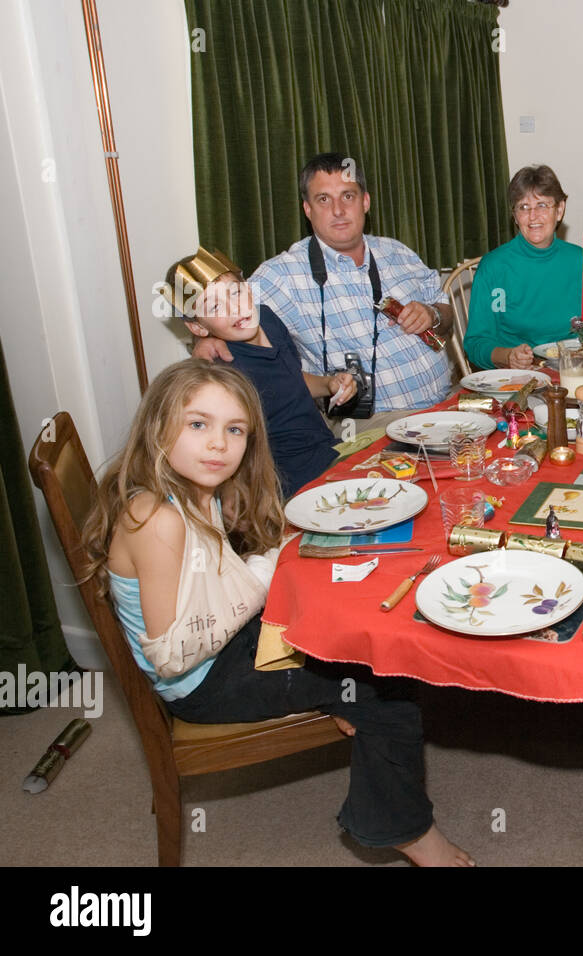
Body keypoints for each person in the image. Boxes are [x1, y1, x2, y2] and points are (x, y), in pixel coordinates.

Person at [83, 360, 473, 866]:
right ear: (158, 426)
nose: (218, 443)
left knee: (352, 637)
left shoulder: (194, 494)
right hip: (204, 683)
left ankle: (345, 702)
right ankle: (402, 830)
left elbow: (214, 590)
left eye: (235, 429)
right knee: (385, 679)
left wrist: (272, 566)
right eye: (198, 424)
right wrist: (267, 572)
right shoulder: (155, 519)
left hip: (228, 647)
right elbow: (174, 655)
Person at [198, 153, 456, 422]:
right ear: (307, 210)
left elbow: (446, 313)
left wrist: (433, 314)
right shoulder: (284, 275)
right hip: (373, 424)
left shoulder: (398, 252)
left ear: (365, 202)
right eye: (324, 199)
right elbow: (221, 311)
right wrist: (206, 340)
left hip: (446, 403)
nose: (338, 210)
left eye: (348, 196)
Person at [163, 247, 352, 497]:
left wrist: (329, 384)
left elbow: (292, 381)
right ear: (198, 327)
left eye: (236, 293)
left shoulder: (268, 319)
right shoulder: (225, 368)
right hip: (292, 482)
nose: (235, 309)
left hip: (330, 450)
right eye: (215, 307)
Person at [464, 165, 583, 370]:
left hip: (574, 369)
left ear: (559, 210)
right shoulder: (494, 267)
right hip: (517, 377)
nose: (533, 216)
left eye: (542, 205)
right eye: (523, 207)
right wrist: (508, 356)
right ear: (515, 216)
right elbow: (475, 344)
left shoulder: (578, 259)